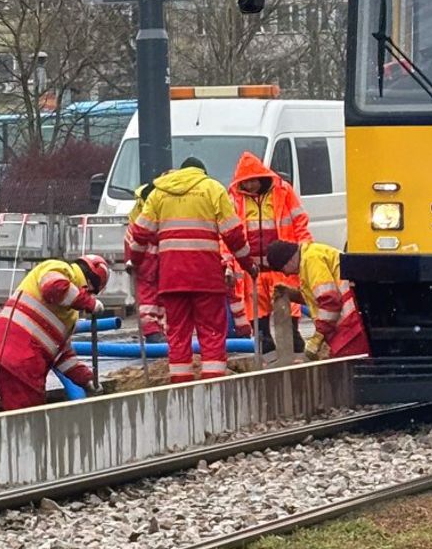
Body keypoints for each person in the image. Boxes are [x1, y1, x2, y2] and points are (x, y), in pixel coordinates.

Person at [127, 157, 255, 383]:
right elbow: (233, 233)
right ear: (201, 172)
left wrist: (134, 262)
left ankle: (181, 387)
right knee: (212, 333)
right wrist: (249, 265)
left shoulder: (158, 193)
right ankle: (213, 384)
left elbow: (139, 233)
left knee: (177, 335)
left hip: (171, 279)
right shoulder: (212, 189)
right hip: (206, 278)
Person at [0, 254, 110, 410]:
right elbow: (53, 288)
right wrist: (89, 303)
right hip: (19, 355)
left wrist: (86, 380)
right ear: (90, 284)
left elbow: (62, 355)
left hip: (17, 356)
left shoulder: (69, 313)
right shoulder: (59, 269)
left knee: (28, 412)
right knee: (28, 417)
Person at [227, 153, 312, 353]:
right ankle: (266, 346)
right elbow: (229, 235)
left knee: (289, 309)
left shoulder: (283, 192)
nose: (250, 186)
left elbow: (300, 222)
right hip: (252, 268)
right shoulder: (235, 199)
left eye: (253, 181)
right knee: (257, 313)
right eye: (245, 183)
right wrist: (230, 263)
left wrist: (305, 250)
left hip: (282, 264)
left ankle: (292, 344)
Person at [263, 240, 369, 359]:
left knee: (349, 370)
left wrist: (316, 340)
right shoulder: (310, 257)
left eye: (283, 270)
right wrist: (293, 294)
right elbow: (321, 299)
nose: (286, 275)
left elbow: (330, 303)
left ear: (289, 260)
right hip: (352, 325)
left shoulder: (311, 261)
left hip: (351, 327)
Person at [124, 183, 165, 344]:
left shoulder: (140, 210)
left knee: (154, 297)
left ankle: (157, 330)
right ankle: (152, 331)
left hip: (146, 259)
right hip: (146, 260)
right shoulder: (149, 211)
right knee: (149, 298)